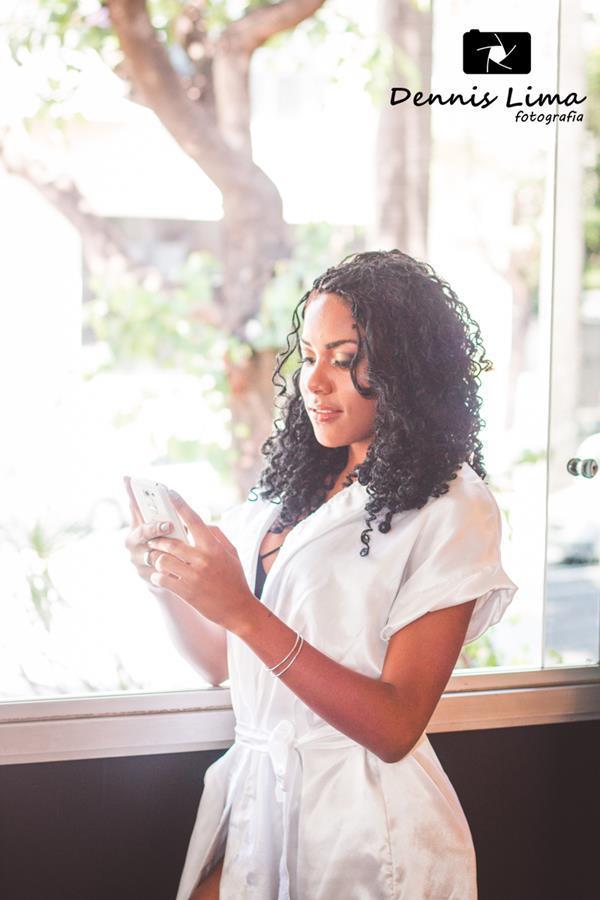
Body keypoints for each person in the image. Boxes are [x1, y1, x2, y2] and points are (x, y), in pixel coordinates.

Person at [124, 249, 518, 899]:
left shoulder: (452, 507)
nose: (315, 381)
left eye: (344, 358)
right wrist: (168, 580)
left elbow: (395, 727)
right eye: (308, 357)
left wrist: (244, 610)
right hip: (257, 807)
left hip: (371, 833)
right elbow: (221, 661)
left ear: (406, 368)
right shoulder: (289, 494)